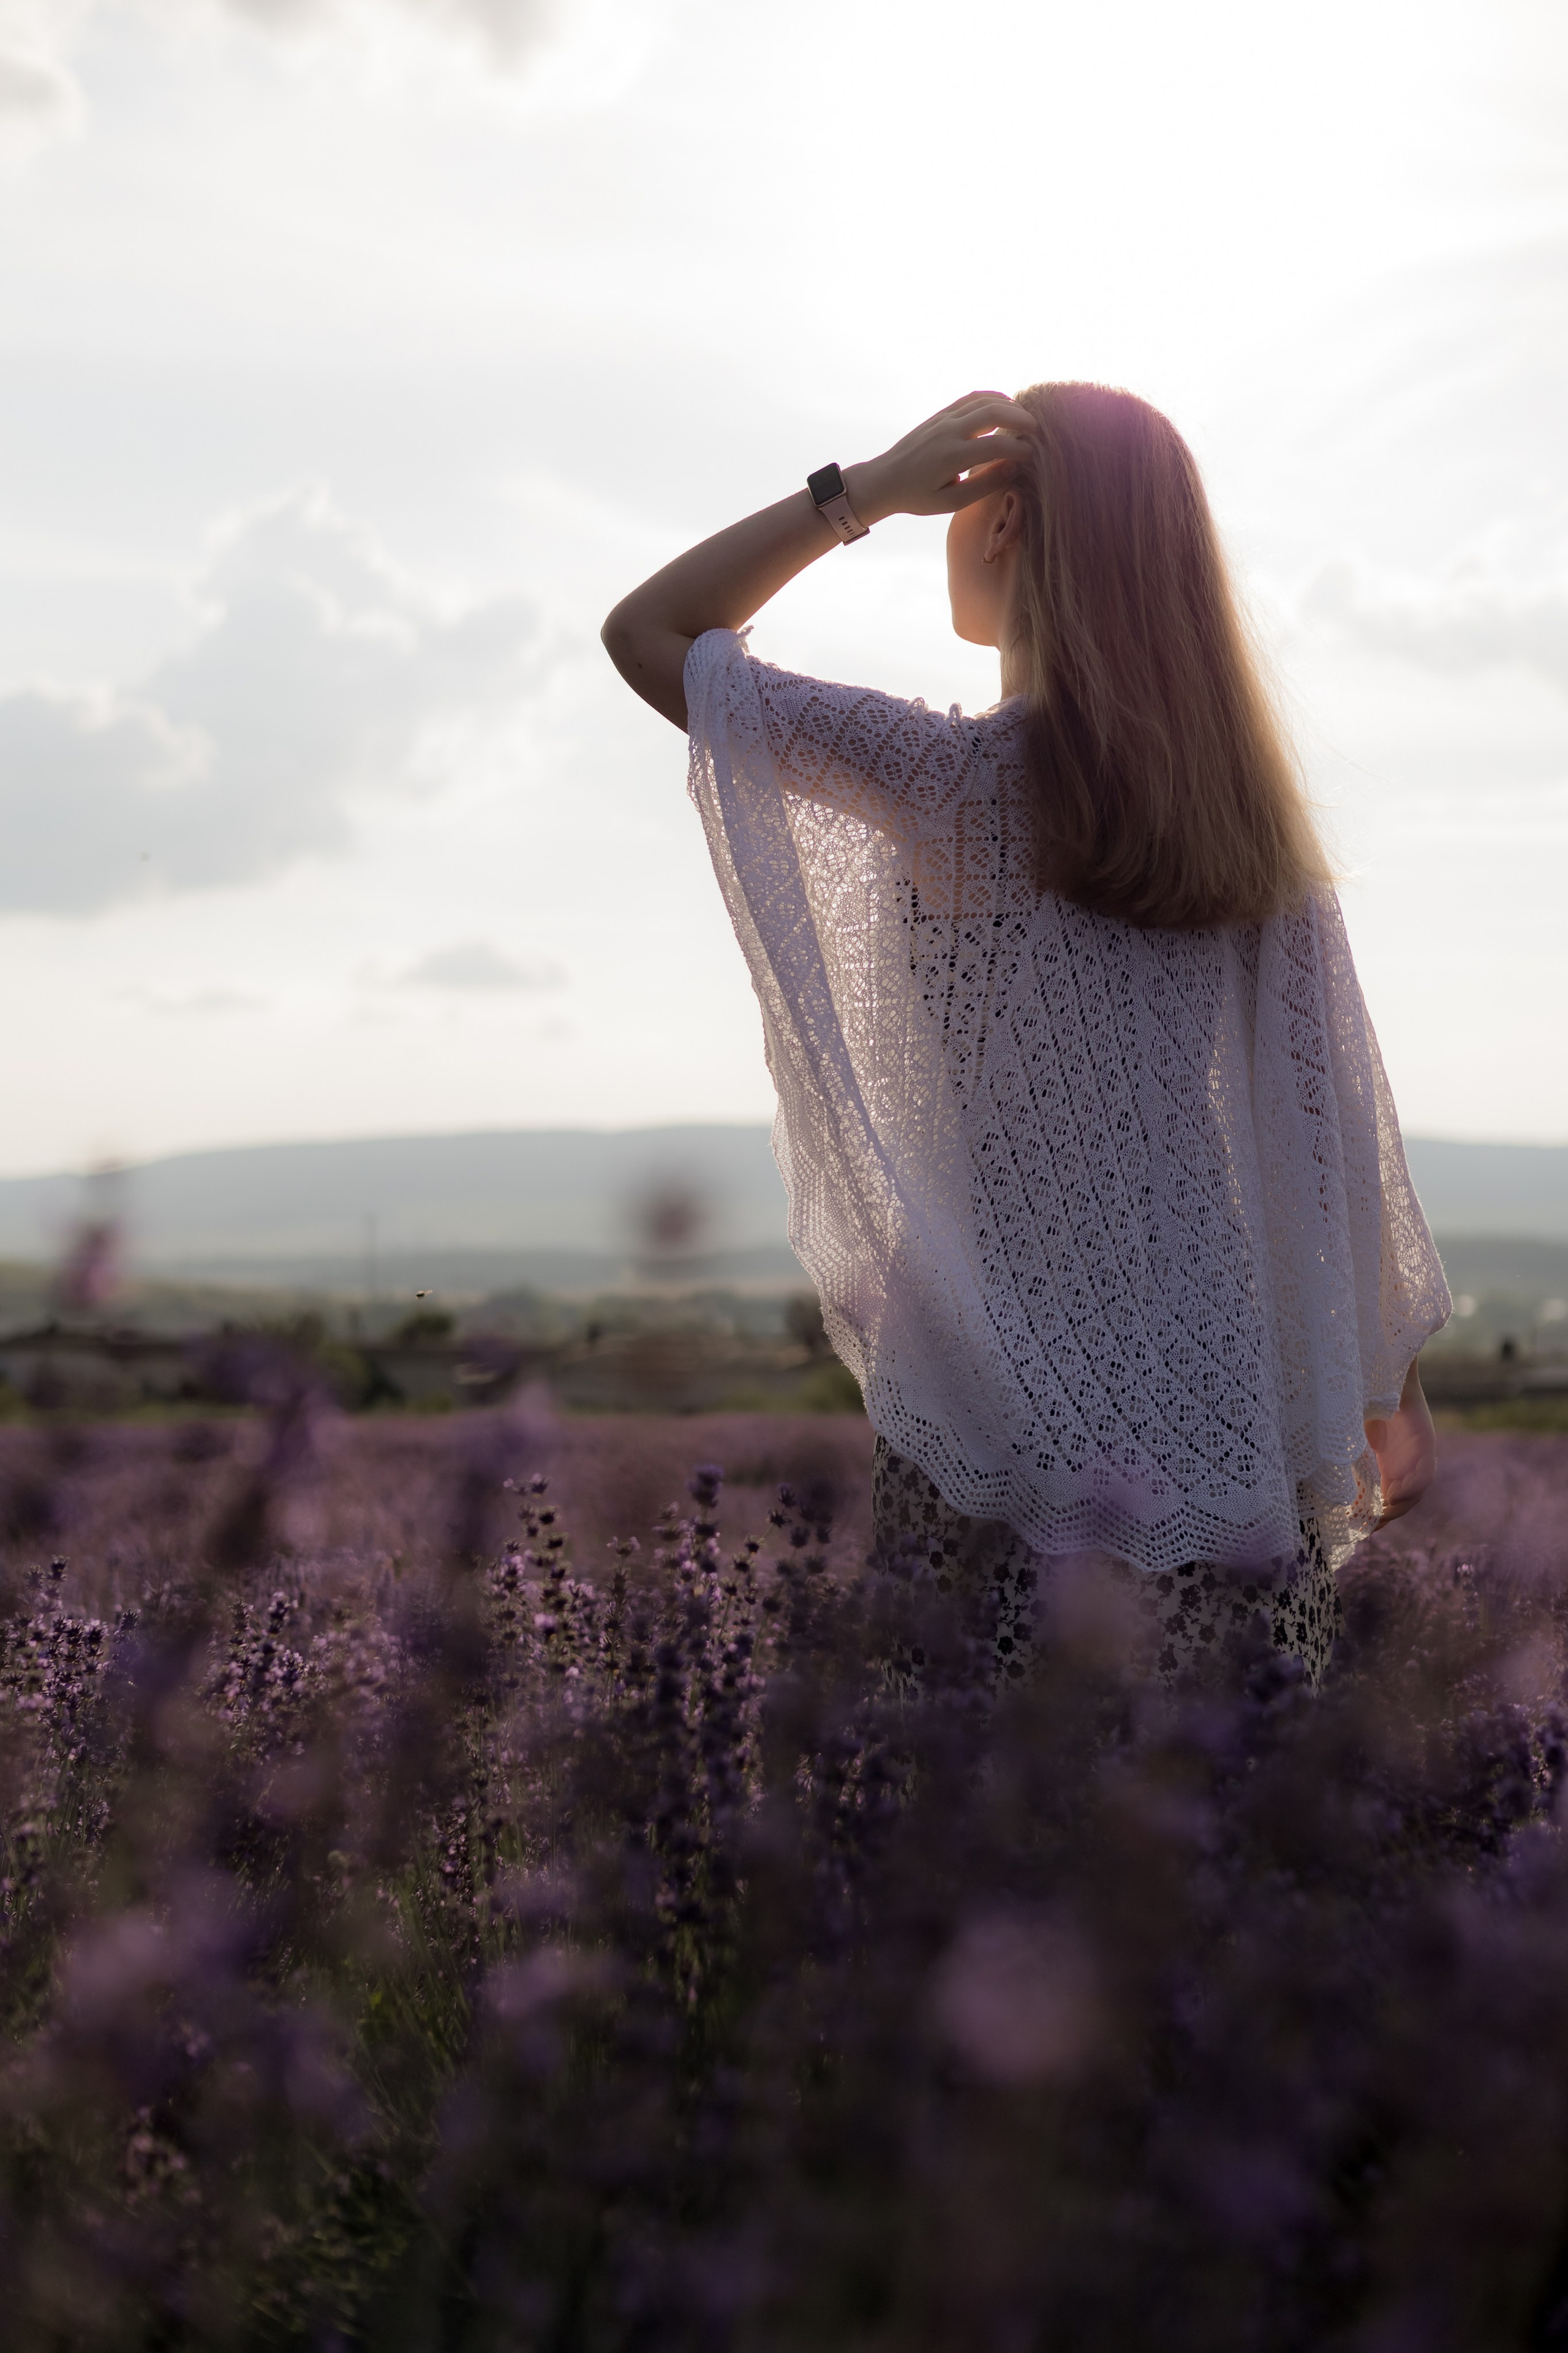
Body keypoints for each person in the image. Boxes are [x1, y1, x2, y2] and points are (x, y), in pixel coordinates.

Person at [603, 387, 1450, 1690]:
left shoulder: (944, 781)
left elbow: (651, 631)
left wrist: (865, 491)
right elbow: (1327, 1122)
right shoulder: (1249, 823)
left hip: (1001, 1378)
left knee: (994, 1811)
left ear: (993, 521)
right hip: (1219, 1377)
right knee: (1211, 1818)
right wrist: (1376, 1370)